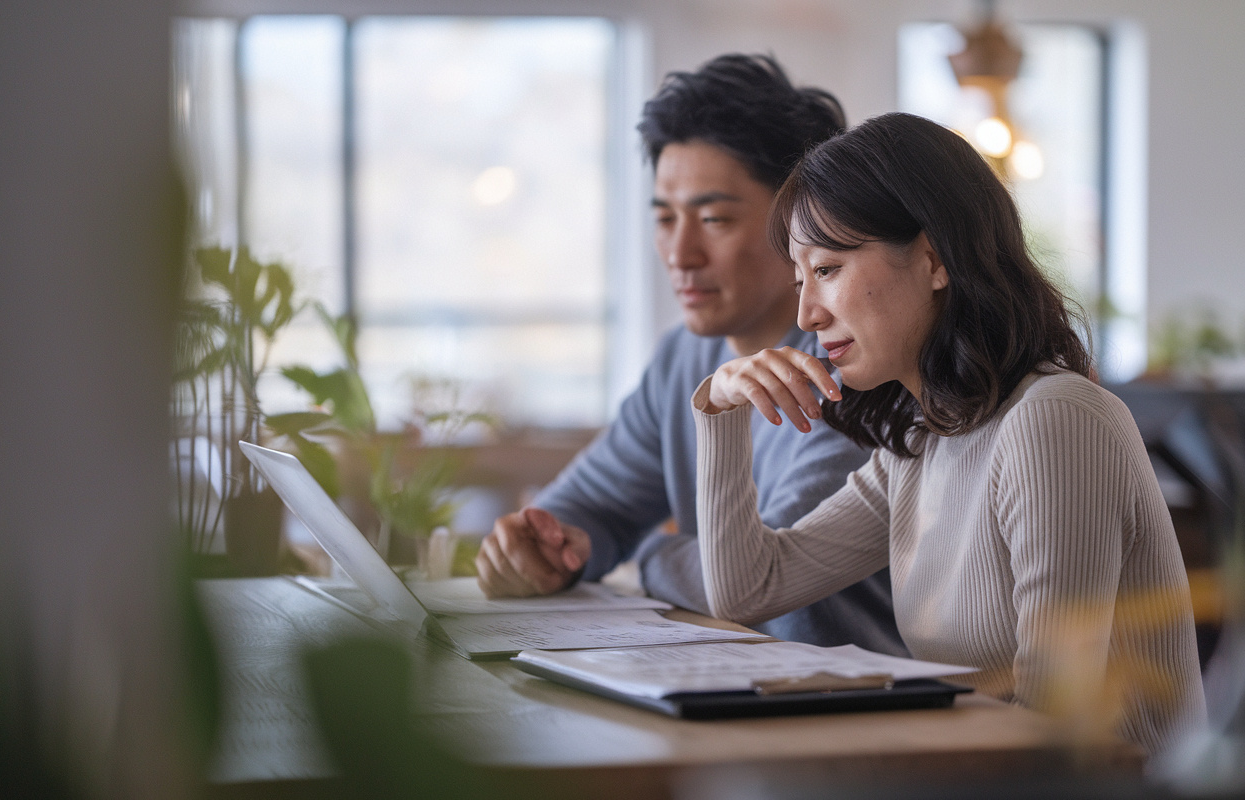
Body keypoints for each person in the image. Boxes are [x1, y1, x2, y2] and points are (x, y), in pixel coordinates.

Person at [693, 111, 1206, 758]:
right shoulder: (922, 441)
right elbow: (748, 590)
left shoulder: (1055, 419)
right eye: (801, 280)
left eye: (827, 270)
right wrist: (722, 406)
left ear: (934, 259)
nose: (805, 314)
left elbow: (1048, 729)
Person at [475, 54, 906, 655]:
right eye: (664, 218)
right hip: (728, 689)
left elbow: (755, 575)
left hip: (851, 708)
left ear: (805, 218)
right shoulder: (685, 354)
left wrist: (647, 554)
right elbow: (586, 505)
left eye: (714, 218)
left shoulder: (856, 364)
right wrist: (543, 548)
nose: (681, 253)